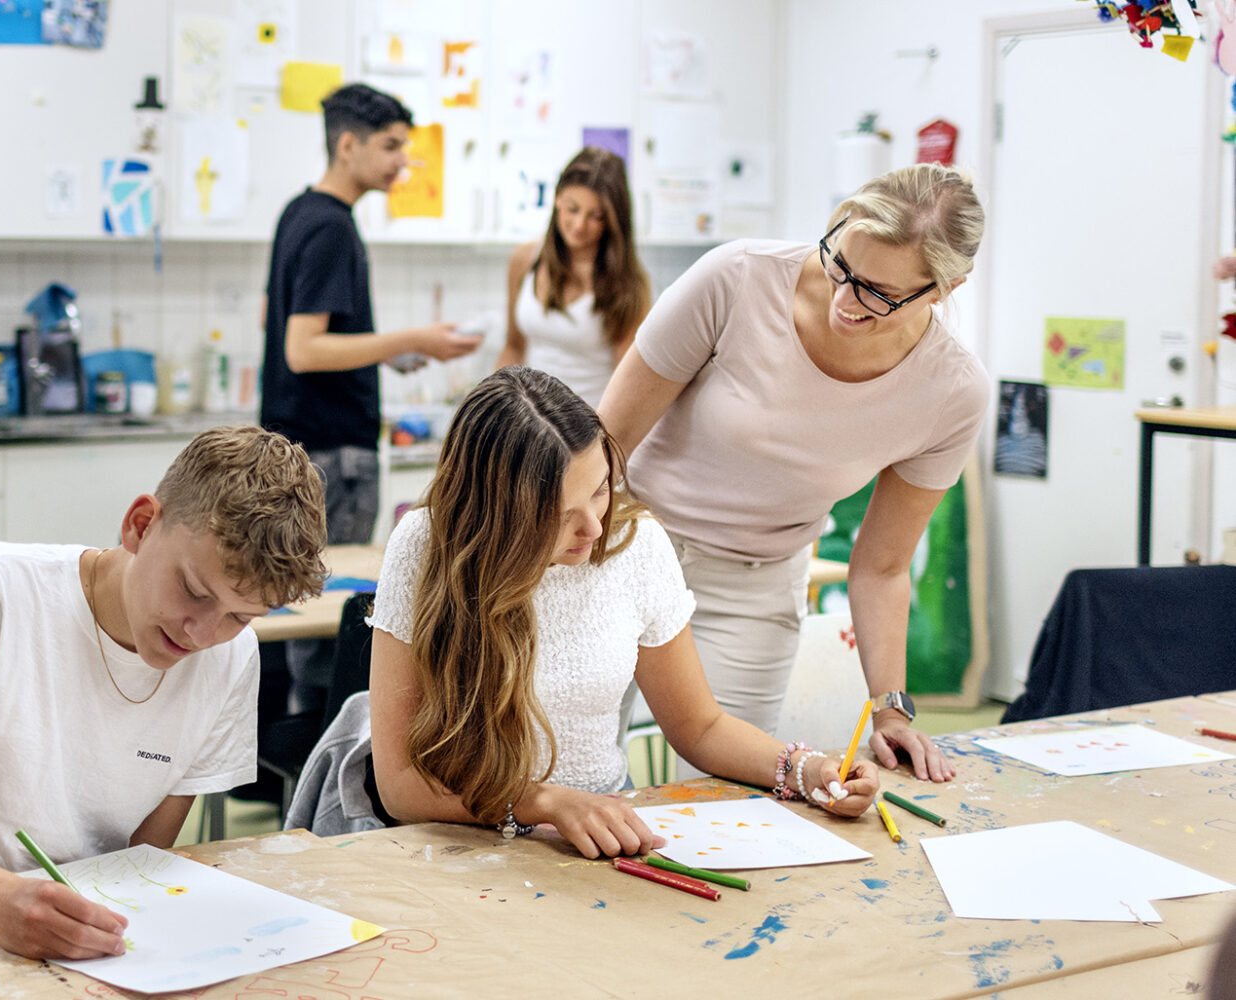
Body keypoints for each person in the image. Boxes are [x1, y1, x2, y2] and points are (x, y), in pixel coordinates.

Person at [0, 426, 329, 961]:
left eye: (239, 616)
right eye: (194, 591)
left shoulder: (230, 658)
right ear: (141, 525)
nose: (201, 634)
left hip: (56, 949)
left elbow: (137, 865)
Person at [368, 368, 879, 859]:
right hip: (463, 842)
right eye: (559, 515)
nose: (593, 527)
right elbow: (399, 787)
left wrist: (804, 768)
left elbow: (699, 727)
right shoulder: (424, 545)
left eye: (599, 489)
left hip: (604, 834)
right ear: (493, 515)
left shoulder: (636, 546)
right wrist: (540, 801)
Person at [599, 163, 990, 784]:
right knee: (571, 774)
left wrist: (891, 711)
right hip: (620, 553)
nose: (844, 300)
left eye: (879, 293)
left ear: (944, 289)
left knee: (721, 798)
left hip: (752, 587)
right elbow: (606, 442)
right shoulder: (737, 277)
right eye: (842, 265)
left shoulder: (951, 391)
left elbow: (883, 565)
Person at [261, 81, 483, 712]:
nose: (401, 162)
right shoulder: (332, 228)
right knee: (328, 638)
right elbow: (303, 349)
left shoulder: (299, 213)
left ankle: (299, 771)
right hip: (333, 457)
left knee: (303, 622)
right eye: (390, 147)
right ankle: (329, 779)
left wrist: (390, 350)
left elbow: (283, 328)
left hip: (299, 446)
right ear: (348, 144)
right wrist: (410, 338)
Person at [495, 146, 651, 406]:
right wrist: (492, 410)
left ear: (613, 221)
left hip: (590, 431)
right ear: (557, 199)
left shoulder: (626, 284)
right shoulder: (524, 260)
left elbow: (629, 385)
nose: (579, 225)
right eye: (572, 208)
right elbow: (513, 347)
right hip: (531, 429)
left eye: (595, 216)